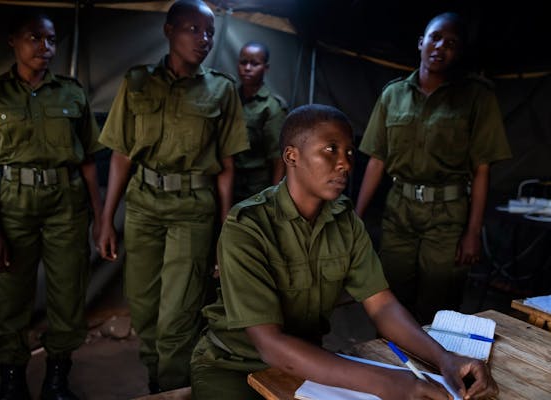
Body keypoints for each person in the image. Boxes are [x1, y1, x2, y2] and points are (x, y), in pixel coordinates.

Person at [190, 104, 498, 400]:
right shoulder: (248, 226)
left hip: (311, 364)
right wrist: (385, 382)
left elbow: (382, 307)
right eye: (330, 149)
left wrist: (445, 360)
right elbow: (270, 345)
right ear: (291, 156)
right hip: (233, 365)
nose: (346, 163)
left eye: (349, 152)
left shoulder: (345, 222)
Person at [96, 0, 248, 393]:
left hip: (193, 211)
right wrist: (106, 219)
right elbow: (120, 155)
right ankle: (157, 386)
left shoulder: (222, 89)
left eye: (210, 32)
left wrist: (224, 231)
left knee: (177, 319)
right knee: (144, 310)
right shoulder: (137, 82)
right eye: (193, 29)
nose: (204, 39)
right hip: (143, 205)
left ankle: (173, 388)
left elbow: (227, 168)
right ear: (169, 30)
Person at [0, 11, 103, 400]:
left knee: (68, 295)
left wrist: (102, 218)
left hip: (67, 204)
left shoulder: (71, 92)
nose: (45, 47)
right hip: (13, 204)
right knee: (9, 296)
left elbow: (88, 161)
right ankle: (12, 382)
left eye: (51, 40)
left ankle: (57, 382)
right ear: (12, 42)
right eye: (34, 38)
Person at [355, 12, 512, 323]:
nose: (441, 46)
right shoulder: (393, 94)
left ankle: (433, 371)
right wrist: (356, 218)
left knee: (438, 308)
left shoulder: (476, 97)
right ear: (421, 42)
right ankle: (390, 368)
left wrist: (472, 233)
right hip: (399, 210)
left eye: (452, 43)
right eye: (435, 37)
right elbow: (377, 159)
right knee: (390, 301)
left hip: (448, 217)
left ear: (460, 53)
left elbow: (482, 170)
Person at [233, 41, 287, 203]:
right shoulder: (229, 97)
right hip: (227, 182)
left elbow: (278, 159)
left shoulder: (271, 107)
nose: (247, 68)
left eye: (255, 63)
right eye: (243, 62)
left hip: (254, 189)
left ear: (266, 68)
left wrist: (274, 198)